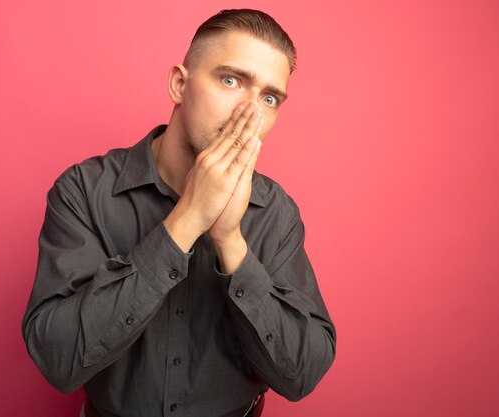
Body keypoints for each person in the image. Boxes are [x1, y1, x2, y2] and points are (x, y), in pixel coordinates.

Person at [22, 8, 336, 417]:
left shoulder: (277, 213)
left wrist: (230, 242)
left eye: (269, 97)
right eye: (230, 80)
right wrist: (185, 222)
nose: (249, 113)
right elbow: (58, 360)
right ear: (179, 84)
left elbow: (300, 375)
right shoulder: (84, 190)